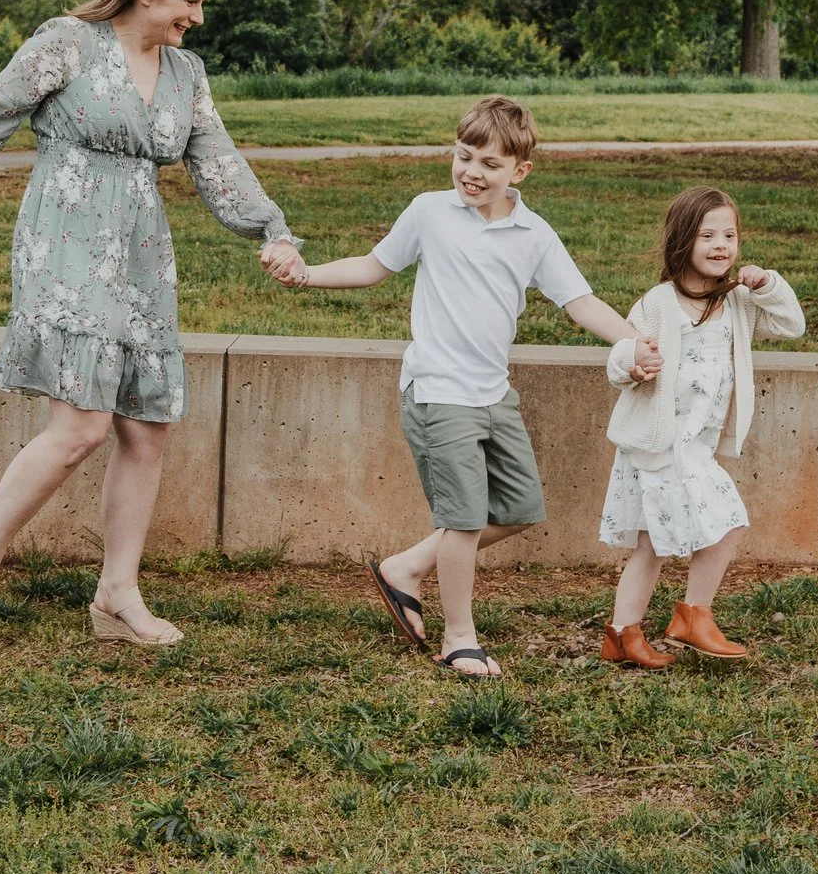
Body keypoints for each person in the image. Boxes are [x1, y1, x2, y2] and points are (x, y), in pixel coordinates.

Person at [0, 0, 305, 656]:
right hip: (67, 240)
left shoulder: (186, 74)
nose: (197, 18)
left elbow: (220, 164)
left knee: (147, 428)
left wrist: (272, 229)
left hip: (142, 255)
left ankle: (118, 594)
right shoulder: (69, 42)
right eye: (190, 1)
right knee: (80, 427)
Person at [273, 95, 655, 679]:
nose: (473, 172)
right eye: (464, 156)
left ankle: (404, 568)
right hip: (437, 392)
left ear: (520, 172)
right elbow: (375, 266)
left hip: (493, 395)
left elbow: (579, 301)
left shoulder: (533, 232)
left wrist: (634, 343)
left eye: (490, 164)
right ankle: (459, 639)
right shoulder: (429, 212)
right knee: (465, 520)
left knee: (521, 508)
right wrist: (308, 274)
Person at [597, 186, 806, 668]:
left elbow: (792, 325)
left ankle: (626, 633)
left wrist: (767, 283)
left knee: (658, 544)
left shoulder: (738, 302)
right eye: (707, 234)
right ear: (682, 241)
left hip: (695, 446)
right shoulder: (658, 302)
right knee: (720, 524)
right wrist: (634, 362)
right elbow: (617, 359)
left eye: (729, 235)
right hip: (658, 443)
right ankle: (685, 617)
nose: (720, 245)